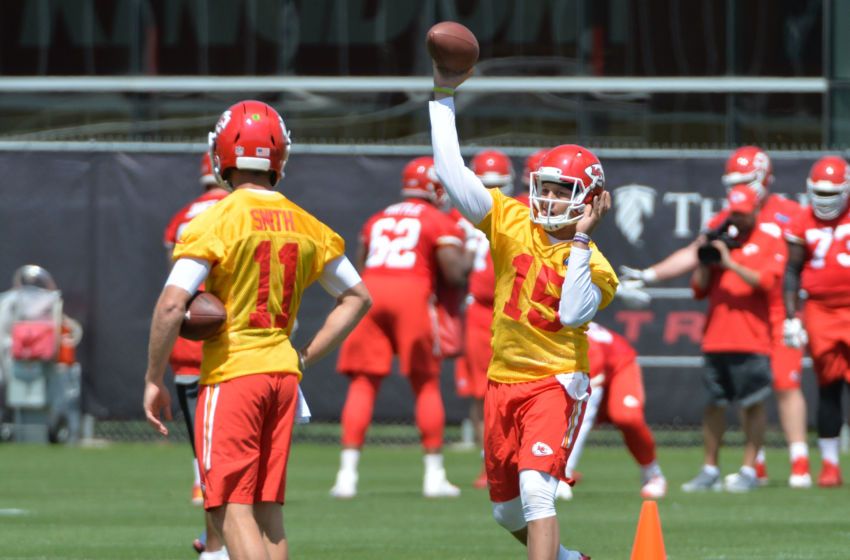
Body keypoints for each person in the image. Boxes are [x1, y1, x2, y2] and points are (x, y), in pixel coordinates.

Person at [143, 100, 372, 560]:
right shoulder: (308, 224)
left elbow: (171, 305)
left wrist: (152, 378)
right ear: (280, 156)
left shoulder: (216, 219)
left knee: (230, 507)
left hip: (234, 374)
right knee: (268, 512)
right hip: (283, 376)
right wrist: (304, 355)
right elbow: (358, 297)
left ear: (222, 153)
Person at [431, 66, 617, 560]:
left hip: (555, 381)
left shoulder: (596, 265)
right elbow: (451, 172)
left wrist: (581, 240)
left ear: (590, 201)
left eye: (562, 191)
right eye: (546, 188)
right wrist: (443, 96)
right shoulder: (512, 221)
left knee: (537, 491)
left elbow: (572, 314)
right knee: (506, 513)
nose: (549, 199)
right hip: (502, 381)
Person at [620, 146, 811, 487]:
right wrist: (649, 275)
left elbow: (793, 269)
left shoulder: (789, 214)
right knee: (733, 397)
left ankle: (799, 462)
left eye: (743, 181)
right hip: (735, 321)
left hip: (779, 310)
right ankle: (753, 466)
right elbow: (695, 256)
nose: (738, 189)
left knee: (784, 383)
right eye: (733, 182)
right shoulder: (725, 219)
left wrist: (798, 308)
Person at [331, 156, 469, 499]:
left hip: (371, 290)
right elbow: (454, 273)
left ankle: (346, 477)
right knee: (425, 383)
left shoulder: (378, 217)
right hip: (412, 293)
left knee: (363, 383)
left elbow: (361, 265)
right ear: (435, 187)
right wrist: (470, 250)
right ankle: (434, 476)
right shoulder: (438, 219)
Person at [681, 185, 786, 493]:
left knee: (752, 405)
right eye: (734, 214)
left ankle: (749, 470)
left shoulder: (769, 239)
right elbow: (698, 289)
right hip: (716, 337)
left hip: (752, 339)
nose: (738, 220)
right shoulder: (721, 237)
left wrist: (729, 262)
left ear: (755, 211)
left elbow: (766, 282)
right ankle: (710, 469)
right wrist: (706, 259)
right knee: (714, 405)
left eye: (743, 214)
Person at [161, 152, 230, 558]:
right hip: (233, 341)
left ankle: (200, 490)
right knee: (233, 448)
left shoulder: (182, 216)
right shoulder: (237, 209)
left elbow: (175, 280)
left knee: (203, 436)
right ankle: (220, 542)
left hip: (187, 333)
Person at [783, 155, 850, 488]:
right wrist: (791, 317)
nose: (824, 201)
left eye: (831, 193)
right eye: (819, 193)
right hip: (821, 310)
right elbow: (792, 269)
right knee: (829, 386)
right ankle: (830, 465)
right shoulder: (801, 220)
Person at [453, 148, 515, 489]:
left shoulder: (522, 211)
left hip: (514, 309)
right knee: (481, 391)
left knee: (521, 386)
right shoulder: (461, 217)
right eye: (486, 184)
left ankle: (528, 459)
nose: (492, 191)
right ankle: (488, 463)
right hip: (480, 309)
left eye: (498, 185)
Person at [554, 321, 666, 501]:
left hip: (619, 364)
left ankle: (653, 474)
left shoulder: (585, 349)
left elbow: (583, 417)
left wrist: (563, 474)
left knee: (626, 417)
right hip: (586, 370)